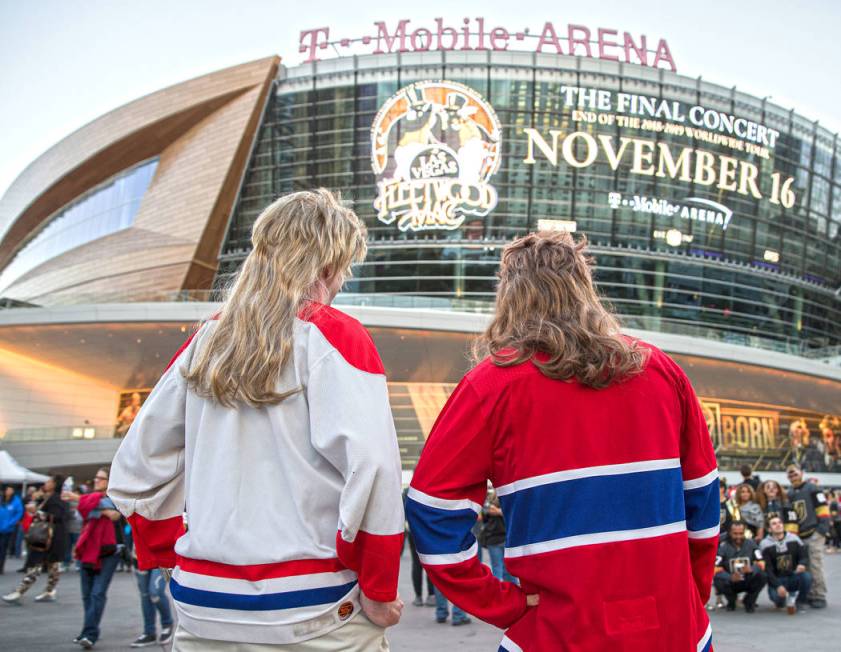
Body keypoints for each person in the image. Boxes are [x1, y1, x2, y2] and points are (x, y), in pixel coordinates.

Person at [107, 189, 405, 650]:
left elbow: (134, 471)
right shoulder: (333, 334)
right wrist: (380, 588)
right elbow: (376, 469)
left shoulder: (207, 340)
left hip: (203, 604)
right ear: (329, 265)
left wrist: (172, 554)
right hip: (312, 606)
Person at [405, 231, 719, 651]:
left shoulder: (490, 387)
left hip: (559, 630)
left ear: (510, 298)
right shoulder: (661, 371)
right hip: (674, 628)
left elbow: (431, 510)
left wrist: (501, 603)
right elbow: (703, 504)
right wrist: (691, 596)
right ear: (585, 288)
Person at [67, 468, 124, 649]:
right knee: (86, 595)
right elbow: (82, 513)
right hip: (88, 549)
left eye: (101, 478)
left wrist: (82, 500)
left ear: (109, 480)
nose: (96, 480)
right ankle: (87, 631)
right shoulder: (91, 498)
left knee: (97, 593)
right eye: (96, 478)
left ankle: (90, 634)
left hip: (109, 551)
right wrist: (99, 507)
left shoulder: (117, 496)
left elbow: (115, 514)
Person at [2, 475, 68, 604]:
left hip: (49, 538)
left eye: (49, 481)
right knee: (52, 566)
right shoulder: (51, 497)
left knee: (38, 565)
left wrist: (36, 511)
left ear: (55, 484)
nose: (46, 483)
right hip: (51, 537)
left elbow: (56, 517)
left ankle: (20, 591)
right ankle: (49, 591)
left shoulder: (56, 498)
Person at [787, 463, 830, 608]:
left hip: (814, 532)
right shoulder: (790, 493)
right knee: (805, 566)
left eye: (795, 473)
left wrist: (822, 529)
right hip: (800, 535)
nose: (793, 476)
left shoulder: (812, 488)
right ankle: (809, 593)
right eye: (790, 475)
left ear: (801, 473)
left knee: (816, 564)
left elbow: (823, 509)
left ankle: (819, 595)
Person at [759, 516, 811, 614]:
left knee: (807, 577)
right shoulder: (765, 544)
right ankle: (784, 598)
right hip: (777, 579)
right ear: (769, 529)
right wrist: (778, 586)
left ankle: (800, 602)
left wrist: (802, 564)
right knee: (779, 601)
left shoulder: (794, 539)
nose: (778, 525)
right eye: (774, 523)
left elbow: (804, 555)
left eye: (780, 522)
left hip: (793, 576)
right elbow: (767, 570)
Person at [713, 521, 767, 612]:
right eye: (735, 534)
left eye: (741, 533)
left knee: (763, 576)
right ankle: (731, 601)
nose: (738, 537)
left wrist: (752, 569)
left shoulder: (751, 544)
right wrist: (730, 577)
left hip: (748, 579)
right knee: (718, 580)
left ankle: (749, 601)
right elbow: (715, 568)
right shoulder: (723, 547)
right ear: (730, 533)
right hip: (731, 581)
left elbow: (761, 562)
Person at [129, 546, 174, 647]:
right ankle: (149, 632)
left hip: (166, 556)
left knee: (155, 592)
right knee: (145, 595)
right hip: (140, 555)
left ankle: (167, 624)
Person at [403, 489, 436, 608]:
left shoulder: (407, 492)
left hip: (413, 531)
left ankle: (418, 597)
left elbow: (403, 511)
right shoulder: (430, 489)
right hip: (429, 531)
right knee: (430, 561)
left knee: (416, 564)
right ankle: (431, 595)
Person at [481, 490, 516, 584]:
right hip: (495, 539)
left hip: (505, 538)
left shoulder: (507, 498)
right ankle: (502, 594)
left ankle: (513, 593)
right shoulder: (489, 500)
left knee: (508, 569)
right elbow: (486, 511)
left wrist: (496, 510)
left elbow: (508, 512)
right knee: (498, 568)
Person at [0, 486, 24, 574]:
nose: (10, 491)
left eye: (11, 489)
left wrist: (11, 523)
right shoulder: (1, 499)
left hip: (7, 528)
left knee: (3, 548)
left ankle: (0, 567)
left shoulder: (16, 501)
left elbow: (19, 512)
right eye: (8, 489)